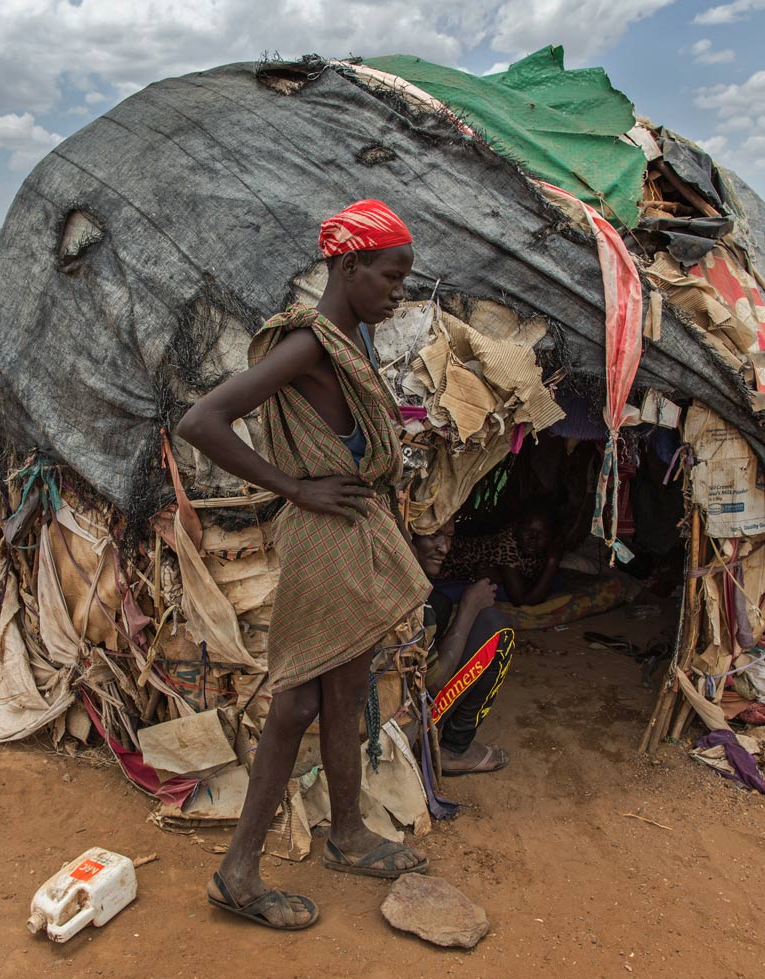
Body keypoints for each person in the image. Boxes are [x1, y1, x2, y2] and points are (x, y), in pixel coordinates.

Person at [176, 199, 431, 931]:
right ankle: (237, 872)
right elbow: (201, 422)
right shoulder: (311, 345)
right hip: (325, 536)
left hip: (349, 532)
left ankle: (347, 834)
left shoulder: (349, 340)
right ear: (350, 267)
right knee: (296, 701)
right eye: (390, 276)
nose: (398, 291)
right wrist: (293, 486)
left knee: (345, 690)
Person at [411, 520, 513, 775]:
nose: (444, 548)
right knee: (496, 627)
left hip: (401, 706)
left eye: (448, 536)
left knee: (441, 603)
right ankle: (454, 749)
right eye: (433, 535)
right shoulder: (410, 604)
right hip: (403, 724)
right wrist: (468, 607)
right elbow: (434, 682)